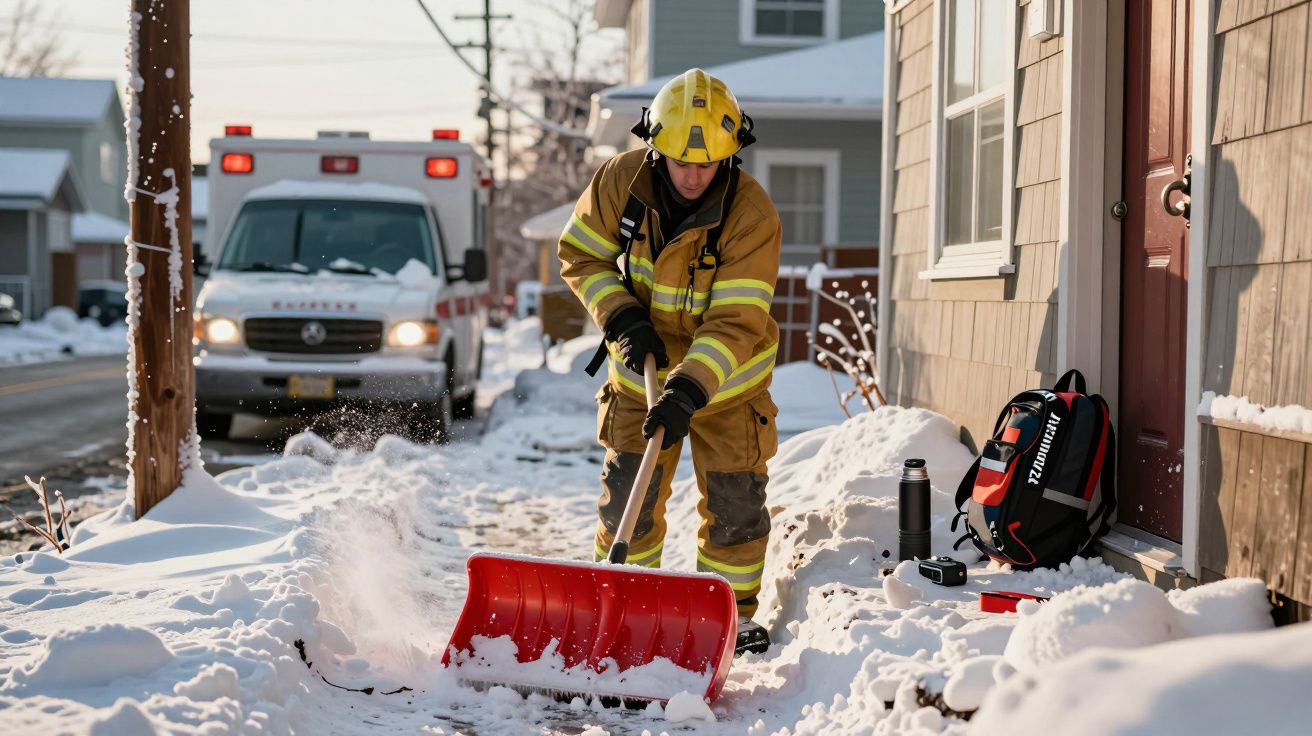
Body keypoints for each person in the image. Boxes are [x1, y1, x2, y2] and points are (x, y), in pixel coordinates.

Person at [558, 68, 781, 656]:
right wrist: (621, 317)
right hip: (639, 377)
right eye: (680, 160)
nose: (692, 174)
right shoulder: (618, 183)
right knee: (629, 496)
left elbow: (735, 323)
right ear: (654, 145)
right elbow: (581, 254)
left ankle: (730, 616)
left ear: (732, 155)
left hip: (728, 386)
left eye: (707, 164)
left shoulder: (751, 215)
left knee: (735, 504)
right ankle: (626, 607)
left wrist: (688, 390)